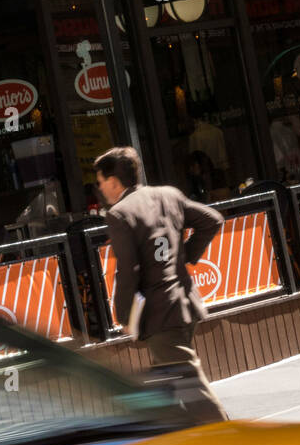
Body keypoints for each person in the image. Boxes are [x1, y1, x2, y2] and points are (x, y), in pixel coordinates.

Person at [94, 146, 228, 424]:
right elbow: (212, 220)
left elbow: (129, 270)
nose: (100, 188)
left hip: (160, 315)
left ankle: (234, 443)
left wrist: (123, 315)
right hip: (184, 304)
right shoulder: (169, 195)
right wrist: (187, 254)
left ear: (114, 181)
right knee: (169, 384)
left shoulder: (119, 213)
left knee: (191, 389)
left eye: (100, 182)